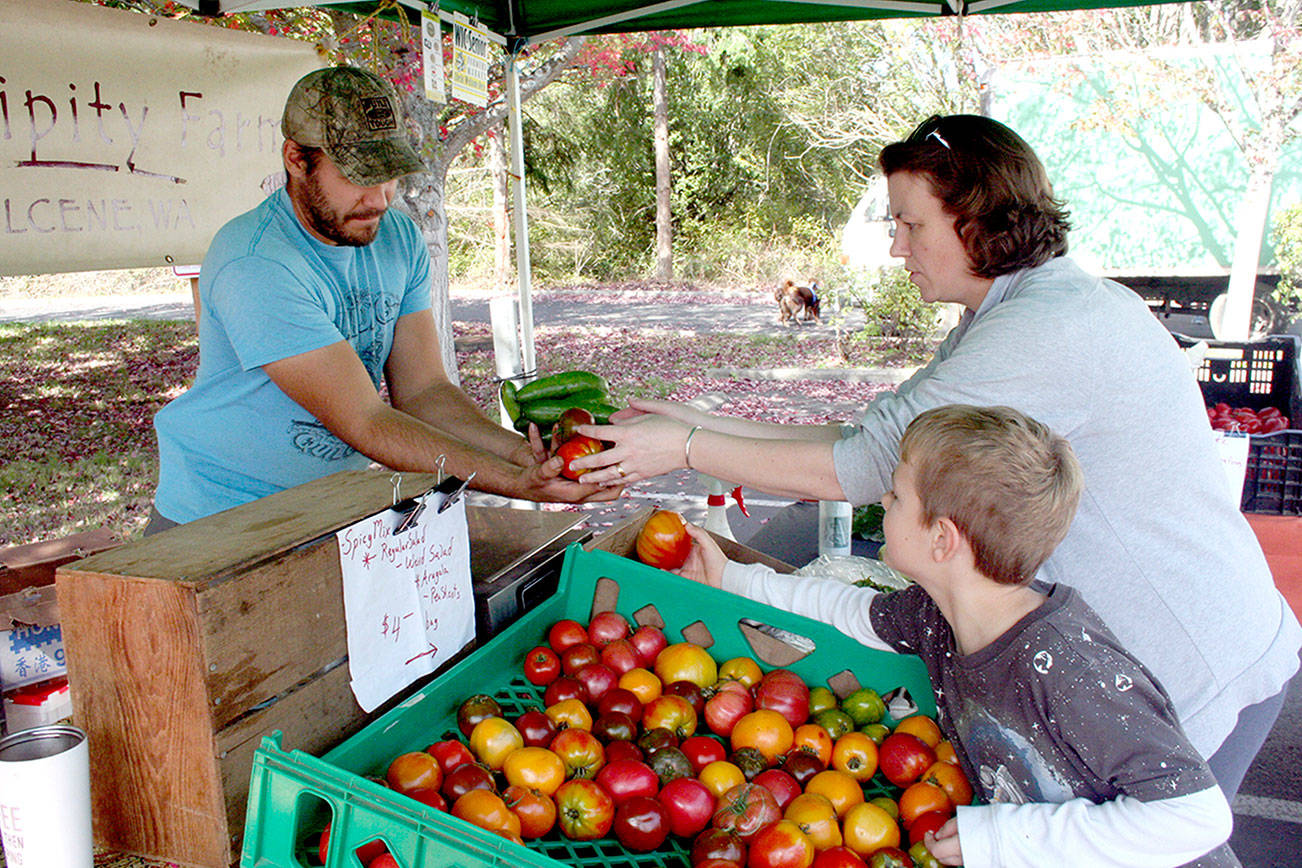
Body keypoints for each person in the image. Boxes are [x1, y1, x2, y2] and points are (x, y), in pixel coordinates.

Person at [578, 114, 1301, 796]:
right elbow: (876, 439)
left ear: (979, 221)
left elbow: (865, 468)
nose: (898, 247)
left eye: (911, 224)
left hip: (1188, 662)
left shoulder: (1047, 329)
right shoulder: (1013, 311)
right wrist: (700, 424)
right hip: (1133, 655)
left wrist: (687, 447)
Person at [677, 404, 1236, 867]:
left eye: (897, 497)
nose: (882, 503)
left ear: (942, 540)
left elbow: (1195, 816)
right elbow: (847, 610)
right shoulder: (940, 616)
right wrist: (734, 578)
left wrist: (1002, 840)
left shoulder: (1066, 668)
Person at [148, 66, 613, 531]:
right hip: (217, 515)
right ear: (296, 159)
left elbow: (425, 392)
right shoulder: (256, 262)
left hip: (327, 505)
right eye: (358, 176)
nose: (380, 198)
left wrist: (525, 456)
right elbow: (365, 421)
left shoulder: (397, 238)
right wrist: (516, 483)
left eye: (389, 174)